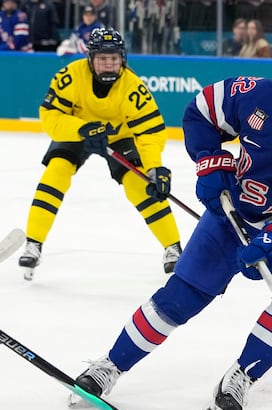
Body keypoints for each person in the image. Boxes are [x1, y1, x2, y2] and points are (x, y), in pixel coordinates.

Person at [69, 48, 272, 410]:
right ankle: (110, 365)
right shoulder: (255, 95)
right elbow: (200, 112)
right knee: (182, 296)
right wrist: (210, 161)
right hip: (238, 208)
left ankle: (243, 375)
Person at [18, 27, 182, 280]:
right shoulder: (70, 75)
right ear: (90, 58)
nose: (108, 64)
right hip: (77, 131)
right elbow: (49, 116)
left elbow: (149, 132)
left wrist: (154, 168)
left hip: (120, 137)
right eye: (103, 59)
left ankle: (173, 247)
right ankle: (34, 243)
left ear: (123, 59)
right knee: (56, 172)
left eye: (114, 58)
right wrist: (80, 128)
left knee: (140, 186)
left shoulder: (133, 88)